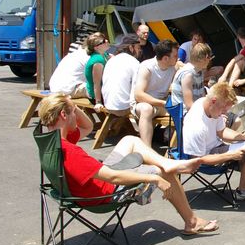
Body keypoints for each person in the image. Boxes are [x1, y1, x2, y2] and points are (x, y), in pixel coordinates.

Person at [38, 93, 219, 234]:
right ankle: (192, 222)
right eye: (72, 111)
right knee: (161, 173)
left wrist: (72, 107)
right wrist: (154, 179)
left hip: (93, 184)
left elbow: (87, 127)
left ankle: (167, 163)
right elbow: (113, 177)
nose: (76, 115)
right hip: (106, 193)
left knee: (129, 140)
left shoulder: (52, 142)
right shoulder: (70, 151)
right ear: (63, 114)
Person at [182, 82, 245, 201]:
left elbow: (222, 131)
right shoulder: (197, 126)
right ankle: (243, 191)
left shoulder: (207, 104)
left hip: (216, 147)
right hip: (205, 157)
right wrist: (230, 155)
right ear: (214, 101)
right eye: (223, 109)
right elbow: (197, 160)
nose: (224, 114)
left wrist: (241, 137)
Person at [132, 39, 178, 146]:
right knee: (146, 109)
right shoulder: (147, 67)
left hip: (161, 104)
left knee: (184, 110)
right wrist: (163, 103)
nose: (177, 58)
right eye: (175, 56)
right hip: (143, 103)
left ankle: (176, 145)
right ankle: (146, 149)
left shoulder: (173, 67)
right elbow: (138, 95)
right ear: (166, 58)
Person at [102, 34, 142, 117]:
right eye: (138, 48)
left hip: (108, 104)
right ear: (131, 47)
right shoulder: (134, 62)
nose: (139, 51)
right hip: (122, 107)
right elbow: (136, 88)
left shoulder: (112, 59)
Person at [48, 34, 95, 98]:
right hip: (67, 90)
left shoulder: (74, 54)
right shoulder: (90, 57)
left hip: (54, 88)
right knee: (98, 88)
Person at [84, 32, 110, 112]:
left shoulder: (104, 54)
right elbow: (96, 83)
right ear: (96, 47)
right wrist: (98, 102)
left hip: (103, 92)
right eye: (103, 42)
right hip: (96, 96)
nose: (106, 41)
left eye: (105, 39)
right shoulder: (98, 60)